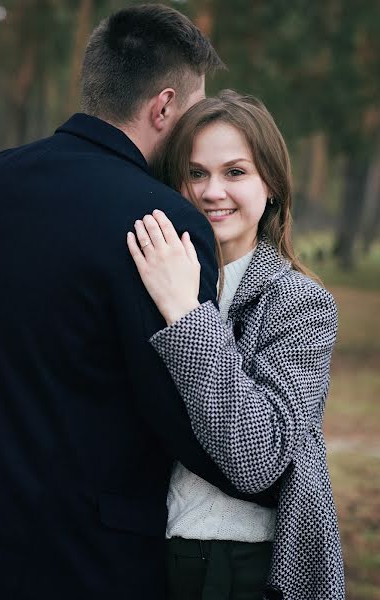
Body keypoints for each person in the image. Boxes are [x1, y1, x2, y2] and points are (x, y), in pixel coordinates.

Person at [0, 7, 268, 600]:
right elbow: (185, 414)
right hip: (94, 557)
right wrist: (268, 474)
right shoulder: (163, 223)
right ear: (163, 107)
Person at [127, 90, 345, 600]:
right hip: (148, 548)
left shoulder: (301, 303)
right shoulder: (146, 281)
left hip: (246, 558)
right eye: (196, 172)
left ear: (270, 184)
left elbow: (257, 458)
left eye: (235, 172)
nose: (212, 191)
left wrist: (186, 314)